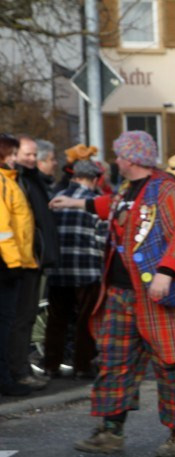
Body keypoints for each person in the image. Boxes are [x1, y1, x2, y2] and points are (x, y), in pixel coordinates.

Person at [49, 130, 175, 457]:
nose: (115, 160)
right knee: (114, 359)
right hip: (121, 292)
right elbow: (112, 207)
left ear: (132, 159)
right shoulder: (126, 188)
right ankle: (110, 431)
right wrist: (75, 202)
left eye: (119, 155)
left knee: (171, 361)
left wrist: (166, 272)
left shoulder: (168, 190)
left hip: (159, 291)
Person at [43, 159, 105, 378]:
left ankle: (51, 364)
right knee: (85, 320)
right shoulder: (94, 201)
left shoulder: (55, 199)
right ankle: (83, 365)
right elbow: (102, 240)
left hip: (58, 270)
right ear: (95, 179)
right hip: (87, 271)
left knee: (56, 320)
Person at [9, 135, 60, 391]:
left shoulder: (31, 180)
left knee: (26, 317)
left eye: (34, 155)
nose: (32, 159)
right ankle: (18, 371)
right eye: (28, 154)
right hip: (22, 261)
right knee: (21, 318)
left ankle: (22, 369)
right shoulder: (17, 181)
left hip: (33, 259)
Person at [0, 133, 35, 396]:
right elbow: (3, 228)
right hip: (6, 265)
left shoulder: (8, 181)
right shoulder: (2, 183)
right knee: (5, 323)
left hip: (11, 262)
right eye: (12, 154)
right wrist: (15, 264)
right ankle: (4, 380)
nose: (16, 159)